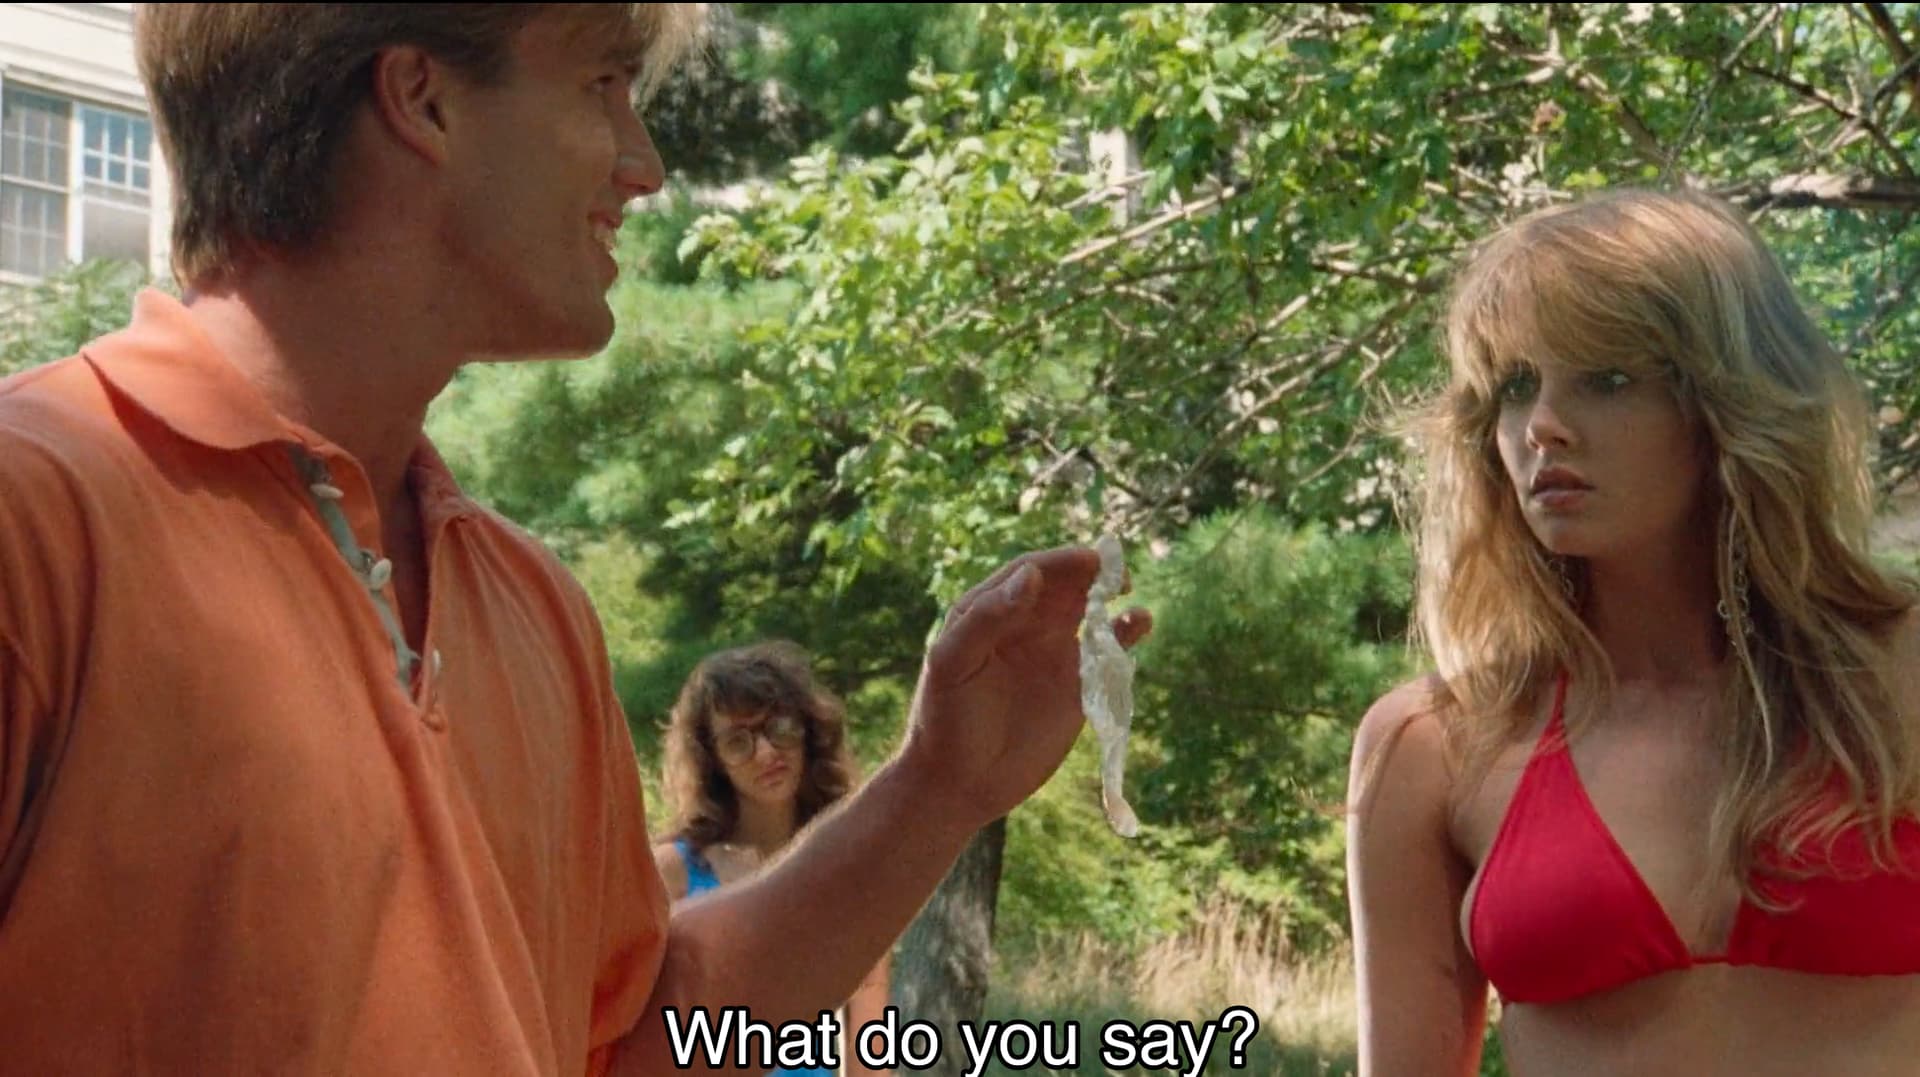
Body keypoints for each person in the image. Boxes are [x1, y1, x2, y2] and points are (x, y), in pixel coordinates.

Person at [0, 6, 1151, 1074]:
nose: (643, 166)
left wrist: (939, 788)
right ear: (422, 100)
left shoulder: (533, 604)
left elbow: (626, 1038)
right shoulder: (36, 522)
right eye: (602, 84)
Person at [1345, 186, 1920, 1075]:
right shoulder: (1435, 745)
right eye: (1516, 386)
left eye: (1607, 378)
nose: (1542, 426)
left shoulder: (1901, 673)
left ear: (1727, 400)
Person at [652, 641, 892, 1077]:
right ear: (713, 759)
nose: (766, 753)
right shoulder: (673, 872)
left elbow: (869, 1044)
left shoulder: (850, 874)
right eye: (738, 741)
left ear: (809, 729)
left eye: (779, 727)